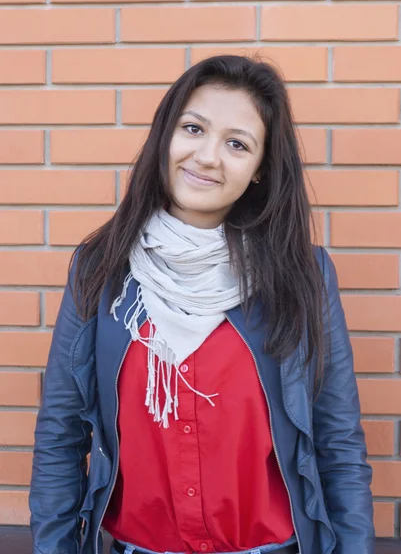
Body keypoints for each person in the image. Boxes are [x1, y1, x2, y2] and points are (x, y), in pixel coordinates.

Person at [29, 55, 374, 554]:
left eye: (237, 144)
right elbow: (60, 437)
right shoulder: (101, 270)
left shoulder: (304, 276)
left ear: (259, 170)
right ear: (165, 135)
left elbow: (338, 444)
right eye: (194, 128)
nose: (208, 156)